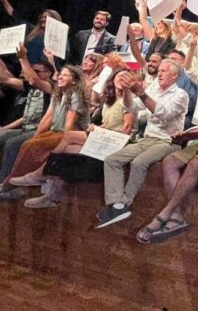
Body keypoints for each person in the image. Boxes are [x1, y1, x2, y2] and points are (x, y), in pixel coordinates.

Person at [135, 64, 198, 243]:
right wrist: (186, 134)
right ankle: (176, 216)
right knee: (169, 161)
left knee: (196, 163)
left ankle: (166, 212)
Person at [0, 53, 89, 209]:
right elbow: (47, 118)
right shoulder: (58, 94)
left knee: (32, 146)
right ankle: (10, 183)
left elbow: (69, 124)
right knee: (28, 144)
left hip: (68, 134)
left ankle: (9, 184)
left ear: (75, 80)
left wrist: (47, 140)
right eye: (61, 75)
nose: (61, 77)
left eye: (66, 75)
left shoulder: (76, 94)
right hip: (55, 131)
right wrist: (36, 138)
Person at [17, 67, 137, 208]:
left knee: (68, 135)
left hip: (118, 142)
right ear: (113, 79)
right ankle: (52, 196)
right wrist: (96, 128)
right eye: (119, 76)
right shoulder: (109, 101)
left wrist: (102, 134)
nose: (121, 79)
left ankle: (41, 173)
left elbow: (126, 129)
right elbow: (107, 124)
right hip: (104, 137)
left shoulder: (129, 100)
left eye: (125, 77)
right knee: (68, 150)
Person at [96, 59, 189, 228]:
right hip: (147, 139)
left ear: (175, 76)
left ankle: (125, 203)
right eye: (159, 70)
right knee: (112, 159)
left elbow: (164, 114)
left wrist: (142, 93)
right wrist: (126, 91)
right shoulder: (153, 88)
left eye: (164, 71)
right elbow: (131, 107)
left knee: (139, 162)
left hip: (167, 140)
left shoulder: (181, 95)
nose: (159, 73)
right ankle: (115, 204)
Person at [0, 43, 52, 198]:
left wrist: (23, 58)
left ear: (49, 74)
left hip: (40, 130)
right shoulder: (29, 86)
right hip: (24, 127)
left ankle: (5, 186)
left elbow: (34, 81)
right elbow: (5, 78)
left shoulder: (52, 87)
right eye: (35, 70)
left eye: (39, 71)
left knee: (11, 144)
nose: (34, 73)